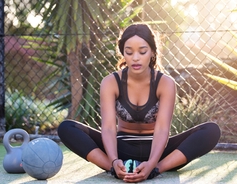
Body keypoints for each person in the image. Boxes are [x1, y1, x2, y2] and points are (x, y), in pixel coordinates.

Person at [57, 23, 221, 183]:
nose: (135, 58)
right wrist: (114, 160)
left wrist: (152, 165)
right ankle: (116, 170)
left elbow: (163, 128)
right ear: (123, 53)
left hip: (158, 151)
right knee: (67, 128)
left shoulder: (165, 83)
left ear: (152, 52)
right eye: (129, 52)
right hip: (122, 148)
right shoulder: (110, 82)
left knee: (211, 131)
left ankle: (157, 169)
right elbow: (107, 127)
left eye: (142, 52)